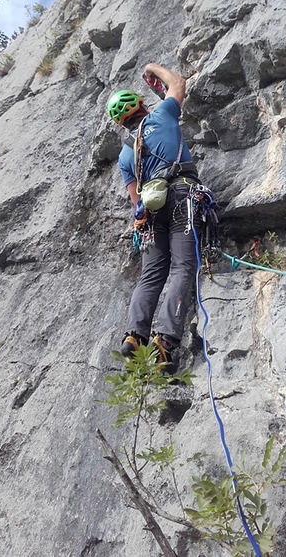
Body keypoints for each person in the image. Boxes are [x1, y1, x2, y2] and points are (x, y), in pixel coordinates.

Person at [108, 63, 200, 368]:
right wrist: (150, 68)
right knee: (184, 267)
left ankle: (134, 335)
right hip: (181, 197)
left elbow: (137, 201)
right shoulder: (162, 115)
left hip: (150, 214)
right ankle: (165, 341)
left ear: (122, 123)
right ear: (142, 105)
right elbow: (178, 83)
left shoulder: (124, 155)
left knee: (151, 276)